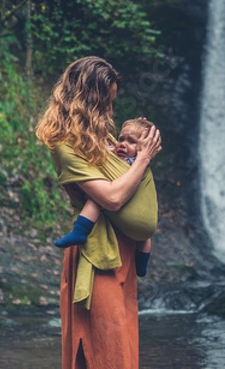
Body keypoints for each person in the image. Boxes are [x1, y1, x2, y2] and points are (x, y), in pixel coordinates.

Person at [35, 56, 162, 369]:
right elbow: (114, 198)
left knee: (122, 346)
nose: (111, 111)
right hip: (97, 254)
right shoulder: (65, 146)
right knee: (94, 344)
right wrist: (144, 158)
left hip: (125, 254)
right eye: (107, 102)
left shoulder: (106, 139)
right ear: (88, 101)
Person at [54, 118, 155, 277]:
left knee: (144, 237)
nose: (123, 144)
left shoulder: (138, 162)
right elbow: (106, 151)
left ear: (144, 146)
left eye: (132, 141)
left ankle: (142, 264)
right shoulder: (118, 157)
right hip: (125, 213)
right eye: (121, 139)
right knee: (95, 200)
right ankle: (80, 231)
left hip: (139, 215)